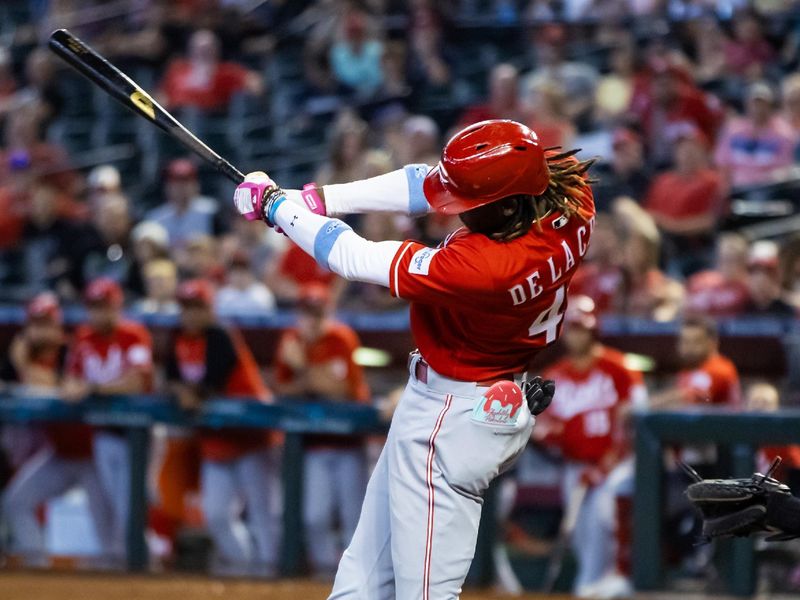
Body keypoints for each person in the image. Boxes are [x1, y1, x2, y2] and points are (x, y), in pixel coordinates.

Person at [232, 118, 595, 599]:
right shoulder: (571, 199)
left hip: (450, 419)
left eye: (469, 204)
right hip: (471, 397)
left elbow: (352, 258)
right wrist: (317, 200)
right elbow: (423, 183)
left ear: (508, 204)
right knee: (359, 584)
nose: (454, 210)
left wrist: (277, 207)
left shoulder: (486, 269)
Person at [164, 279, 282, 574]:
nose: (191, 315)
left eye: (197, 307)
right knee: (215, 515)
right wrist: (181, 392)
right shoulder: (176, 336)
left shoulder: (220, 334)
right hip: (216, 440)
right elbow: (170, 378)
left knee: (262, 515)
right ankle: (246, 571)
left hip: (251, 436)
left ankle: (274, 581)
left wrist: (189, 394)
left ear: (210, 309)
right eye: (186, 308)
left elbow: (212, 381)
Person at [536, 296, 645, 597]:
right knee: (580, 534)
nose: (577, 335)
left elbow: (638, 422)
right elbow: (541, 425)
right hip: (574, 466)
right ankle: (593, 585)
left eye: (582, 329)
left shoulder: (619, 368)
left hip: (617, 465)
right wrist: (547, 433)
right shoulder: (554, 375)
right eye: (571, 329)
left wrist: (608, 463)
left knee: (602, 519)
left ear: (593, 329)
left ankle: (595, 586)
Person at [2, 293, 111, 561]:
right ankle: (37, 565)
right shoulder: (19, 356)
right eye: (35, 324)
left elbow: (64, 388)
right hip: (59, 454)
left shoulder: (71, 350)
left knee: (108, 533)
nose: (40, 330)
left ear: (57, 325)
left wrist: (25, 366)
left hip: (92, 455)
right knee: (15, 503)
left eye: (46, 323)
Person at [273, 284, 370, 578]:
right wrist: (315, 379)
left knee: (355, 518)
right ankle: (326, 577)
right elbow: (281, 389)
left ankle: (359, 581)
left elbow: (342, 391)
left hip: (349, 442)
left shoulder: (341, 337)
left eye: (317, 313)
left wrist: (303, 369)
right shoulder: (290, 339)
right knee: (314, 517)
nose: (311, 320)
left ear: (327, 312)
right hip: (313, 445)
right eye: (306, 313)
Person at [61, 278, 154, 558]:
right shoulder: (84, 336)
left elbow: (137, 382)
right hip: (105, 434)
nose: (100, 313)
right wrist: (76, 388)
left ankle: (145, 567)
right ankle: (127, 572)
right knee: (115, 509)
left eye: (106, 306)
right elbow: (70, 382)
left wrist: (93, 388)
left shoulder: (133, 333)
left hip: (138, 436)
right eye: (95, 307)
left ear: (118, 306)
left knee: (130, 511)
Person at [650, 316, 741, 409]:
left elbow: (691, 399)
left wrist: (649, 404)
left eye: (696, 342)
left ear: (712, 342)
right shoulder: (690, 368)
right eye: (685, 342)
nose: (689, 348)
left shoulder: (719, 369)